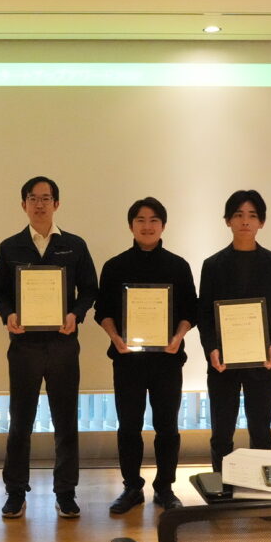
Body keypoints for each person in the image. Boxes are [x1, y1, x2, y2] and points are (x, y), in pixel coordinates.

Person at [0, 176, 98, 519]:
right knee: (20, 421)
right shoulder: (10, 247)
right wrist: (8, 314)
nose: (40, 204)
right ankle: (15, 491)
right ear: (23, 204)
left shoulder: (74, 245)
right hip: (24, 347)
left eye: (46, 198)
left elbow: (90, 290)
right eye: (33, 198)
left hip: (63, 345)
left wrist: (75, 314)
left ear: (56, 204)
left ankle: (65, 491)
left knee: (65, 421)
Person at [94, 197, 197, 513]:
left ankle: (165, 488)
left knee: (167, 426)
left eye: (153, 220)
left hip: (167, 360)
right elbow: (102, 311)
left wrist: (178, 337)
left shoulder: (178, 266)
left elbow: (191, 310)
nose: (147, 226)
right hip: (128, 361)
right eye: (140, 220)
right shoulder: (115, 266)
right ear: (131, 226)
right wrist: (115, 337)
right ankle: (131, 488)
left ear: (163, 225)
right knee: (129, 426)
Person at [197, 190, 271, 473]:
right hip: (222, 362)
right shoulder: (212, 265)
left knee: (261, 432)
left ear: (261, 222)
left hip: (263, 362)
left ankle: (263, 490)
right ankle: (222, 487)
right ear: (227, 220)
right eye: (238, 215)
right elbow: (204, 314)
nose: (245, 221)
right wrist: (212, 349)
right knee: (221, 433)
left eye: (252, 215)